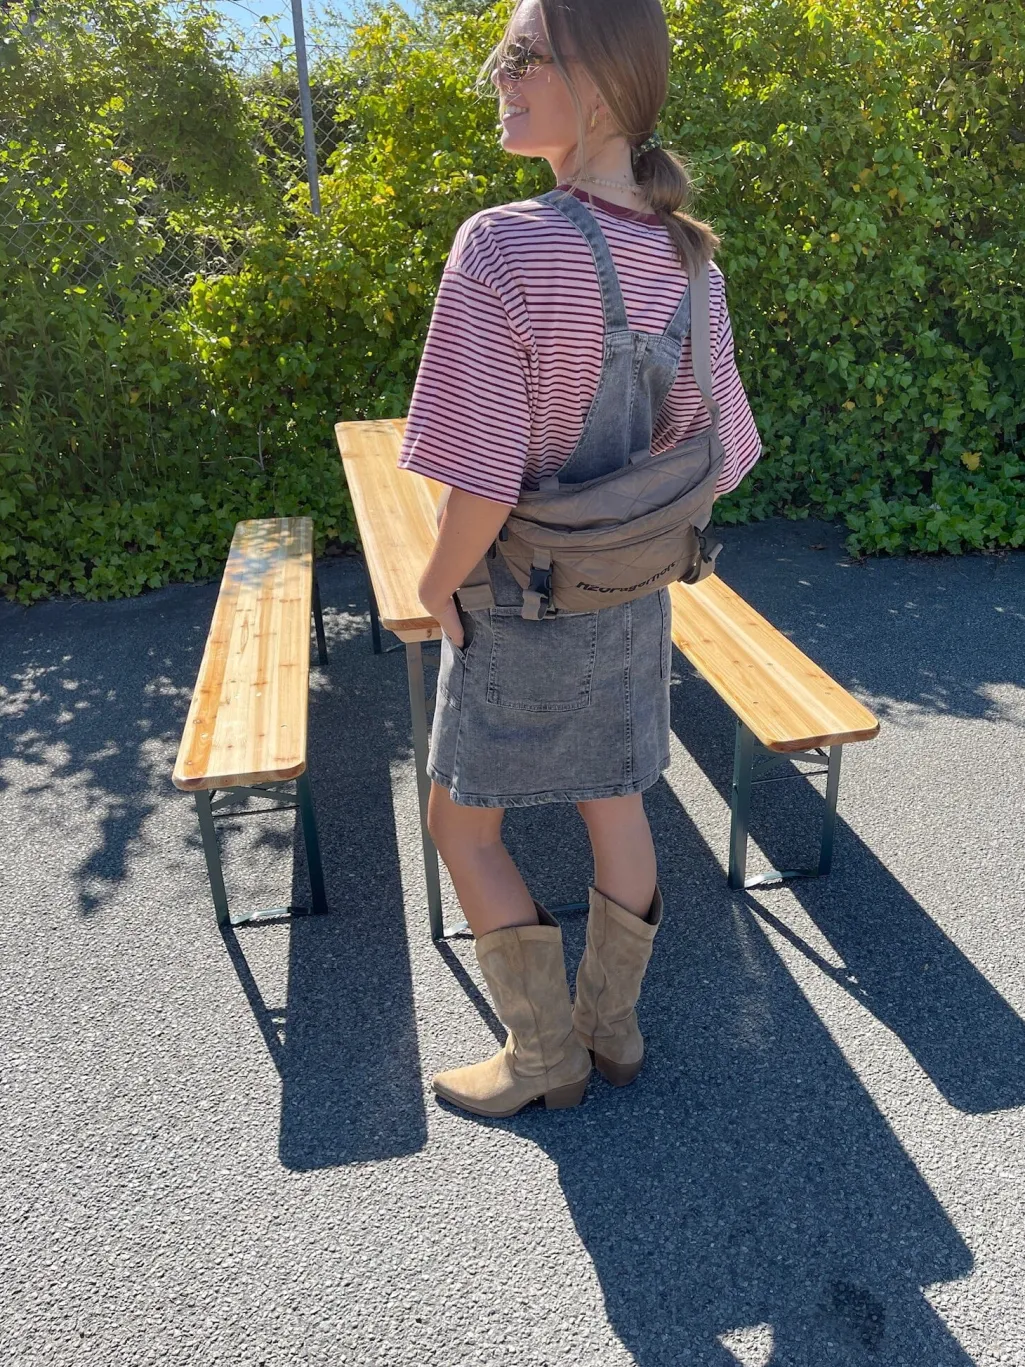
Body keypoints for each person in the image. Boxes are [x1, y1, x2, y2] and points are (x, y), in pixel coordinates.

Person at [398, 0, 761, 1119]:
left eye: (520, 55)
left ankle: (541, 1053)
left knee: (460, 823)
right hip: (631, 594)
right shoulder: (692, 264)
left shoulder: (502, 245)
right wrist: (625, 521)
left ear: (597, 85)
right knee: (615, 796)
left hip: (515, 596)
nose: (495, 75)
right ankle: (612, 1028)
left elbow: (478, 475)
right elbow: (726, 454)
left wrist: (430, 584)